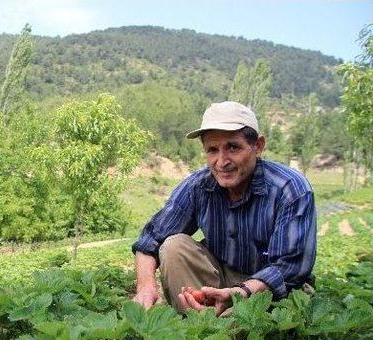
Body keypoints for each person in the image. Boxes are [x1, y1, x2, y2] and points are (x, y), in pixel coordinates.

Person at [131, 101, 316, 316]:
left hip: (275, 289)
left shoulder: (289, 188)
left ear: (258, 146)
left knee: (243, 327)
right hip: (221, 278)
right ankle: (197, 324)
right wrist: (145, 288)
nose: (221, 162)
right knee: (173, 246)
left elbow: (290, 268)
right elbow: (149, 241)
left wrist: (242, 292)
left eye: (233, 147)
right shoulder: (198, 186)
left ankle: (217, 329)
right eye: (212, 150)